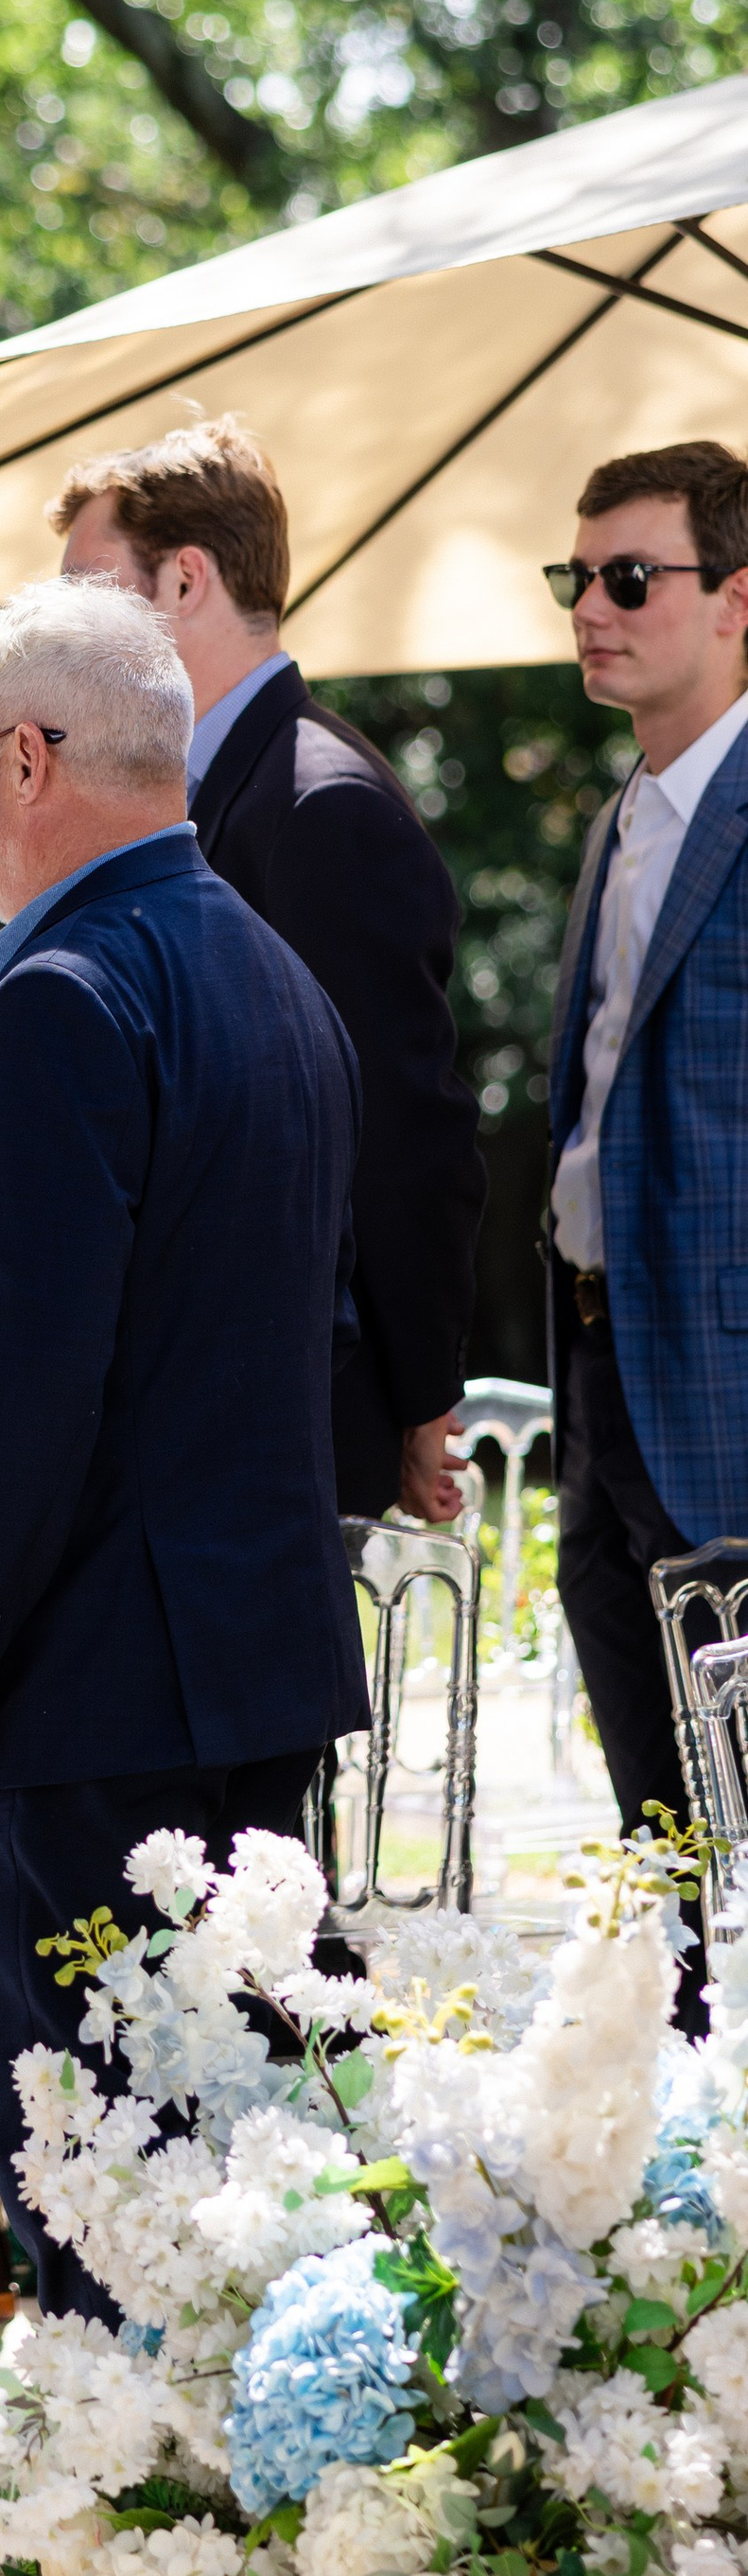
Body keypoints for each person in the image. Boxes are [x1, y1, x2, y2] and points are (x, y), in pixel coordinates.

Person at [0, 579, 367, 2317]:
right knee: (237, 2159)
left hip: (82, 1689)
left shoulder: (64, 991)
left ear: (27, 757)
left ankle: (118, 2558)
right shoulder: (273, 975)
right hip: (245, 1671)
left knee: (92, 2175)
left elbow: (24, 1377)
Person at [53, 416, 484, 1525]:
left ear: (184, 580)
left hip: (281, 1413)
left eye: (90, 593)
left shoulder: (319, 807)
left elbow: (398, 1130)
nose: (62, 630)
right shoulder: (216, 795)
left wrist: (416, 1395)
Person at [546, 441, 748, 1876]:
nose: (592, 608)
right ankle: (691, 2090)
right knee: (657, 1839)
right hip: (601, 1364)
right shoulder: (622, 821)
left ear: (738, 598)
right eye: (579, 577)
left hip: (725, 1391)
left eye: (631, 576)